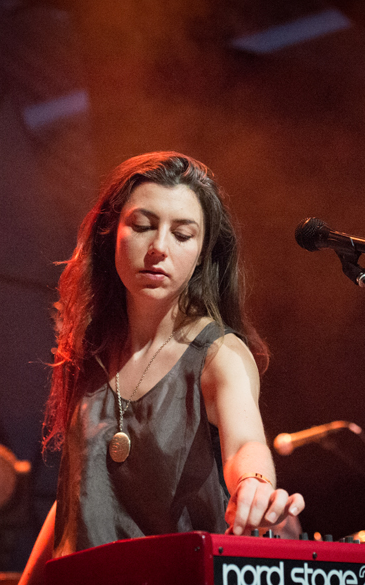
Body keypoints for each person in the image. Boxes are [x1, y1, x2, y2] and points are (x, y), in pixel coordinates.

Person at [20, 152, 304, 585]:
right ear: (110, 233)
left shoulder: (219, 354)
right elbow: (78, 496)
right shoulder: (91, 351)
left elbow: (246, 443)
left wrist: (254, 481)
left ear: (202, 253)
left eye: (182, 234)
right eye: (142, 225)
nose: (159, 249)